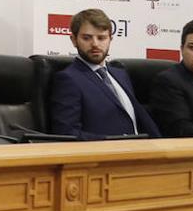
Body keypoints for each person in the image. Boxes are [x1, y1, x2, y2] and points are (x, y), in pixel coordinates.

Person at [48, 8, 159, 139]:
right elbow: (66, 133)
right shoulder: (68, 79)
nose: (95, 44)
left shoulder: (120, 74)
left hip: (142, 152)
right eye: (87, 38)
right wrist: (113, 142)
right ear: (74, 40)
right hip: (104, 155)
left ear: (110, 39)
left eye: (101, 38)